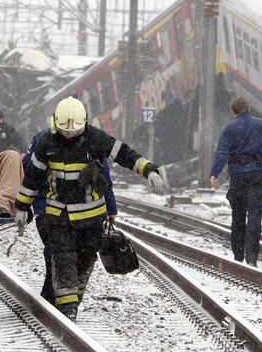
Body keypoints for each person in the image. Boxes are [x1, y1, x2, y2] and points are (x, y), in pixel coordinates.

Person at [14, 96, 163, 321]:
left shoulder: (95, 138)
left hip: (91, 218)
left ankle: (71, 302)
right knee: (63, 260)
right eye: (65, 131)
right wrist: (22, 207)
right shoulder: (46, 142)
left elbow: (124, 154)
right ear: (57, 124)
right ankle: (67, 312)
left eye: (74, 132)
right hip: (59, 215)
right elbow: (32, 177)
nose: (70, 135)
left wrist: (148, 170)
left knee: (85, 261)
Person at [22, 128, 118, 304]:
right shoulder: (45, 140)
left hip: (57, 209)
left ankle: (59, 300)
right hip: (50, 209)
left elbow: (28, 169)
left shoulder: (44, 139)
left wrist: (110, 208)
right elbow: (104, 177)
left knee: (62, 254)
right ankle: (56, 300)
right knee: (60, 254)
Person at [209, 97, 262, 268]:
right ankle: (252, 259)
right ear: (249, 109)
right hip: (259, 176)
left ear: (232, 112)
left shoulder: (229, 128)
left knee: (238, 217)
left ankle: (238, 257)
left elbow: (222, 153)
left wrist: (215, 173)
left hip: (238, 177)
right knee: (255, 218)